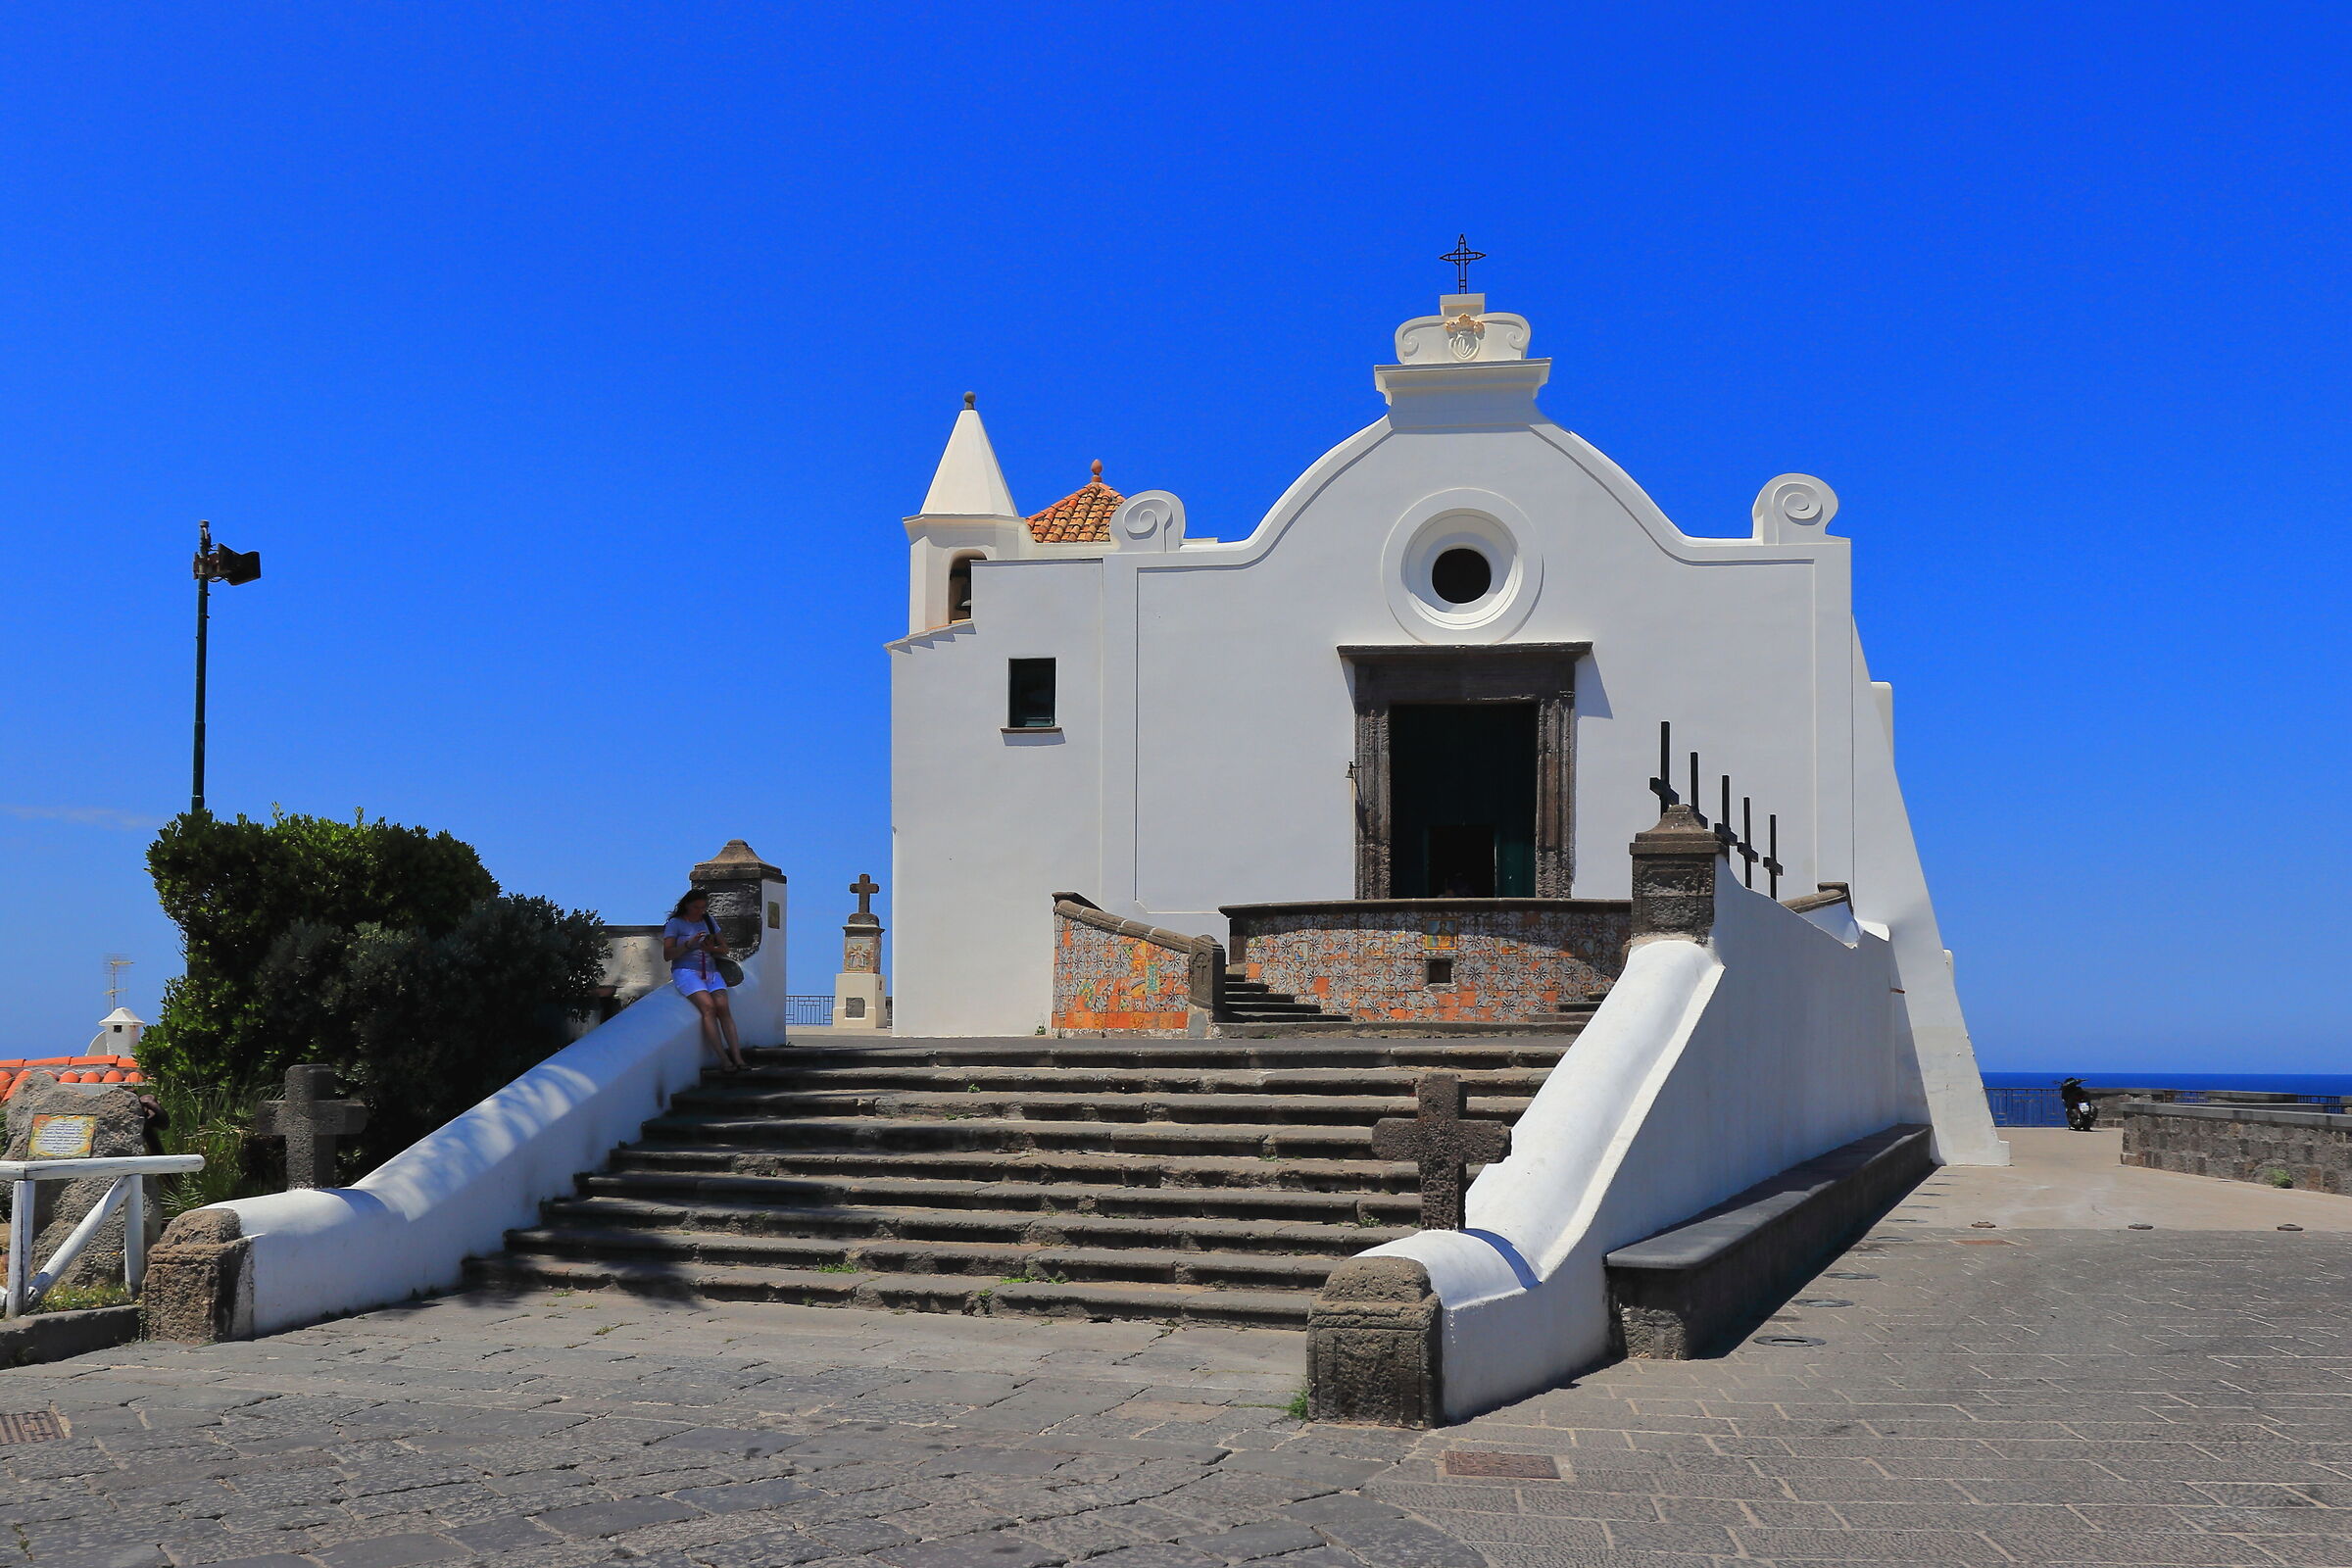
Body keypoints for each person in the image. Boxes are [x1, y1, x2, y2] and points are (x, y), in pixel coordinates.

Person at [664, 890, 748, 1073]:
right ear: (687, 905)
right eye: (696, 907)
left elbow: (724, 948)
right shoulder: (675, 924)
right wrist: (688, 944)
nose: (699, 911)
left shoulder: (708, 921)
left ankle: (738, 1058)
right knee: (708, 1007)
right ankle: (724, 1059)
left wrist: (712, 948)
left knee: (723, 1007)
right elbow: (667, 954)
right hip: (686, 971)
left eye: (703, 907)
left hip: (710, 970)